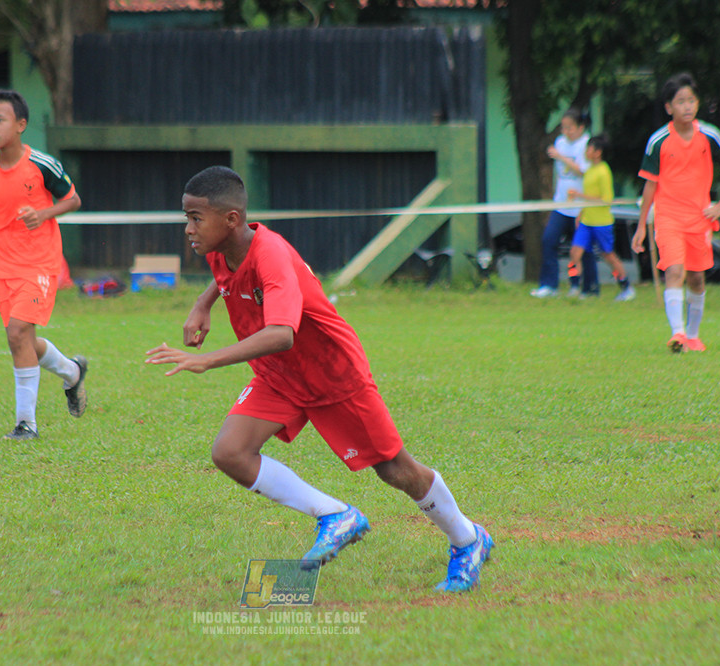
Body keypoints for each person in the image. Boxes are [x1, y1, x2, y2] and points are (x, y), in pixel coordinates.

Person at [145, 166, 492, 593]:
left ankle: (468, 539)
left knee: (395, 471)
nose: (188, 229)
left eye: (195, 218)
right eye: (187, 217)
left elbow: (281, 334)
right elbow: (226, 278)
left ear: (231, 219)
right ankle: (336, 515)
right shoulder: (221, 249)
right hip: (279, 375)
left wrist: (209, 360)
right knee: (231, 452)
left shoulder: (270, 254)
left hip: (331, 373)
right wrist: (203, 303)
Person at [0, 89, 88, 440]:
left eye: (0, 120)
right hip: (1, 263)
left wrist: (43, 213)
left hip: (40, 261)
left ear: (20, 125)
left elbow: (73, 199)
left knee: (18, 332)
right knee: (22, 339)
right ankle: (71, 372)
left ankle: (26, 425)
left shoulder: (42, 165)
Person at [631, 73, 720, 353]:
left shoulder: (709, 134)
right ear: (669, 107)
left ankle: (693, 336)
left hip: (699, 218)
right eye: (680, 102)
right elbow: (649, 186)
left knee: (696, 277)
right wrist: (642, 225)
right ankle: (677, 334)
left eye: (691, 100)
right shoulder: (658, 141)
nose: (687, 106)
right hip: (668, 217)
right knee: (675, 270)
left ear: (698, 103)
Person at [531, 107, 600, 298]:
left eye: (570, 128)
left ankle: (589, 287)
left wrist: (561, 157)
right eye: (563, 128)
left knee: (582, 248)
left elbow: (583, 171)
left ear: (580, 127)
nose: (566, 132)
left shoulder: (587, 144)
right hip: (561, 204)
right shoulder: (560, 142)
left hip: (581, 206)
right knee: (549, 240)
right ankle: (549, 285)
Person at [567, 134, 635, 302]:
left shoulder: (604, 171)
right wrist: (581, 212)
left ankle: (625, 285)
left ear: (598, 152)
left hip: (601, 222)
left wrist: (579, 195)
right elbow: (588, 195)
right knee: (575, 252)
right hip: (586, 221)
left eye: (589, 148)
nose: (586, 152)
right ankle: (575, 285)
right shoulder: (589, 170)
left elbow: (606, 199)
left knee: (608, 256)